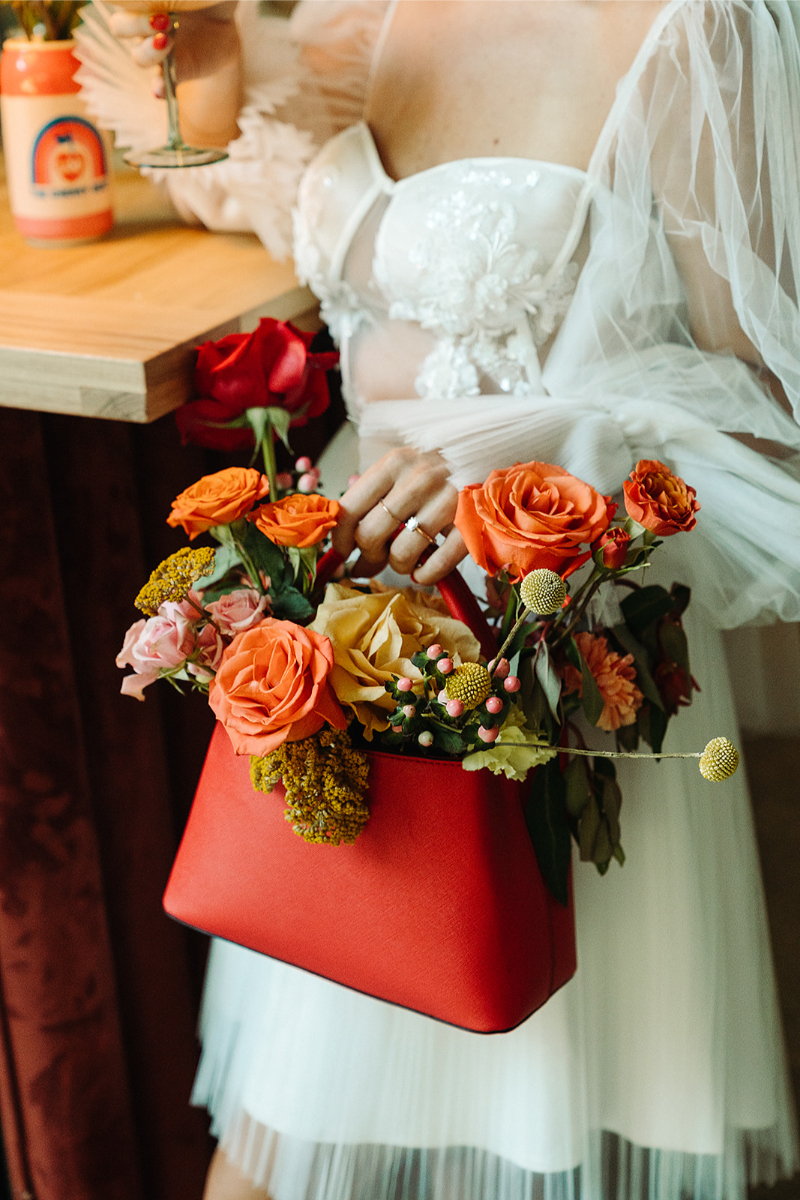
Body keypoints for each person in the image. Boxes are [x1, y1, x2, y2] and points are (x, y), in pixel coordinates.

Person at [76, 3, 800, 1199]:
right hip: (358, 625)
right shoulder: (344, 12)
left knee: (551, 1107)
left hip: (561, 620)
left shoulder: (690, 31)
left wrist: (530, 465)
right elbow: (257, 191)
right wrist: (194, 78)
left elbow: (762, 423)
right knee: (276, 1141)